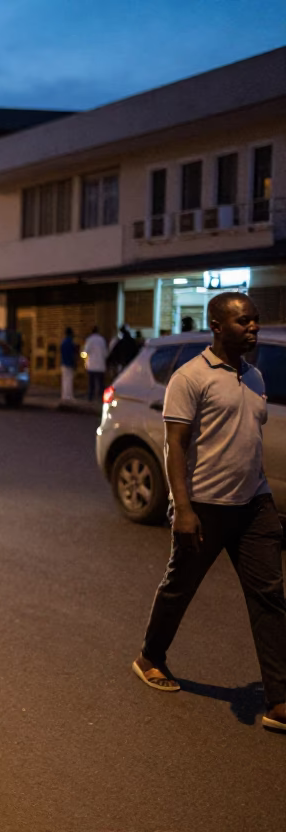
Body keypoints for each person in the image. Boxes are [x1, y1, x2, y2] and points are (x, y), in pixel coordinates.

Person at [132, 292, 286, 734]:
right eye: (244, 322)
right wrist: (182, 508)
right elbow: (174, 446)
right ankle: (150, 657)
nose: (253, 328)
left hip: (254, 504)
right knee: (181, 587)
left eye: (256, 321)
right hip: (204, 505)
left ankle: (279, 700)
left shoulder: (255, 377)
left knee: (270, 597)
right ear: (218, 326)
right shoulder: (190, 377)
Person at [83, 325, 108, 402]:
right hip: (101, 366)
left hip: (92, 366)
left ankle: (90, 398)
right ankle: (102, 399)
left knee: (91, 384)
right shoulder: (102, 340)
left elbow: (86, 351)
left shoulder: (89, 340)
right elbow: (106, 353)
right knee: (101, 384)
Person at [59, 327, 77, 402]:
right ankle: (69, 396)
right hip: (69, 363)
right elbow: (72, 354)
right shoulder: (71, 342)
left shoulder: (63, 342)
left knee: (64, 380)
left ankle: (64, 395)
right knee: (69, 380)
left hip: (63, 363)